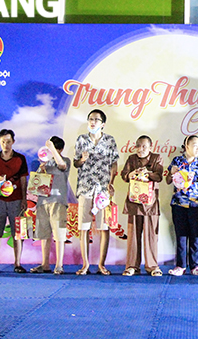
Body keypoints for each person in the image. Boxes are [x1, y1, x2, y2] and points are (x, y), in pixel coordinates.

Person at [74, 109, 119, 275]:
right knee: (84, 227)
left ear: (103, 124)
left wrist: (111, 182)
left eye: (96, 119)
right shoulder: (81, 140)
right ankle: (85, 264)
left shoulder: (109, 141)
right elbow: (76, 164)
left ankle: (101, 264)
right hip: (85, 187)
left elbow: (114, 163)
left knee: (103, 227)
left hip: (102, 189)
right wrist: (82, 160)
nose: (93, 122)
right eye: (90, 119)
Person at [0, 129, 29, 274]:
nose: (6, 144)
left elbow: (23, 179)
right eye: (3, 141)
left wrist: (24, 198)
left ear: (13, 142)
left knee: (18, 233)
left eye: (9, 141)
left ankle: (17, 263)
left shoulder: (20, 158)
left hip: (16, 200)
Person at [120, 135, 164, 277]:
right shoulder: (132, 159)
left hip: (150, 204)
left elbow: (159, 176)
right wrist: (132, 174)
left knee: (151, 236)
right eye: (138, 146)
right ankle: (132, 266)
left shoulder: (157, 158)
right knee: (133, 236)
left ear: (150, 147)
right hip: (134, 202)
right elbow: (124, 175)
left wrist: (148, 173)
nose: (141, 149)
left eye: (144, 146)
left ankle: (152, 266)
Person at [166, 135, 198, 276]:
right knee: (181, 235)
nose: (197, 149)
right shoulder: (177, 161)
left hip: (196, 204)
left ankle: (195, 266)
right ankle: (180, 266)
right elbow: (167, 180)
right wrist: (171, 172)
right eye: (194, 145)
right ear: (187, 145)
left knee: (196, 236)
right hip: (179, 203)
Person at [30, 137, 70, 276]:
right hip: (43, 202)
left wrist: (52, 149)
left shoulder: (65, 161)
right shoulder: (44, 163)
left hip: (58, 202)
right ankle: (45, 264)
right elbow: (36, 186)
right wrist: (41, 171)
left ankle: (59, 265)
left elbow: (62, 165)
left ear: (60, 150)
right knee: (44, 235)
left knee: (59, 234)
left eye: (54, 148)